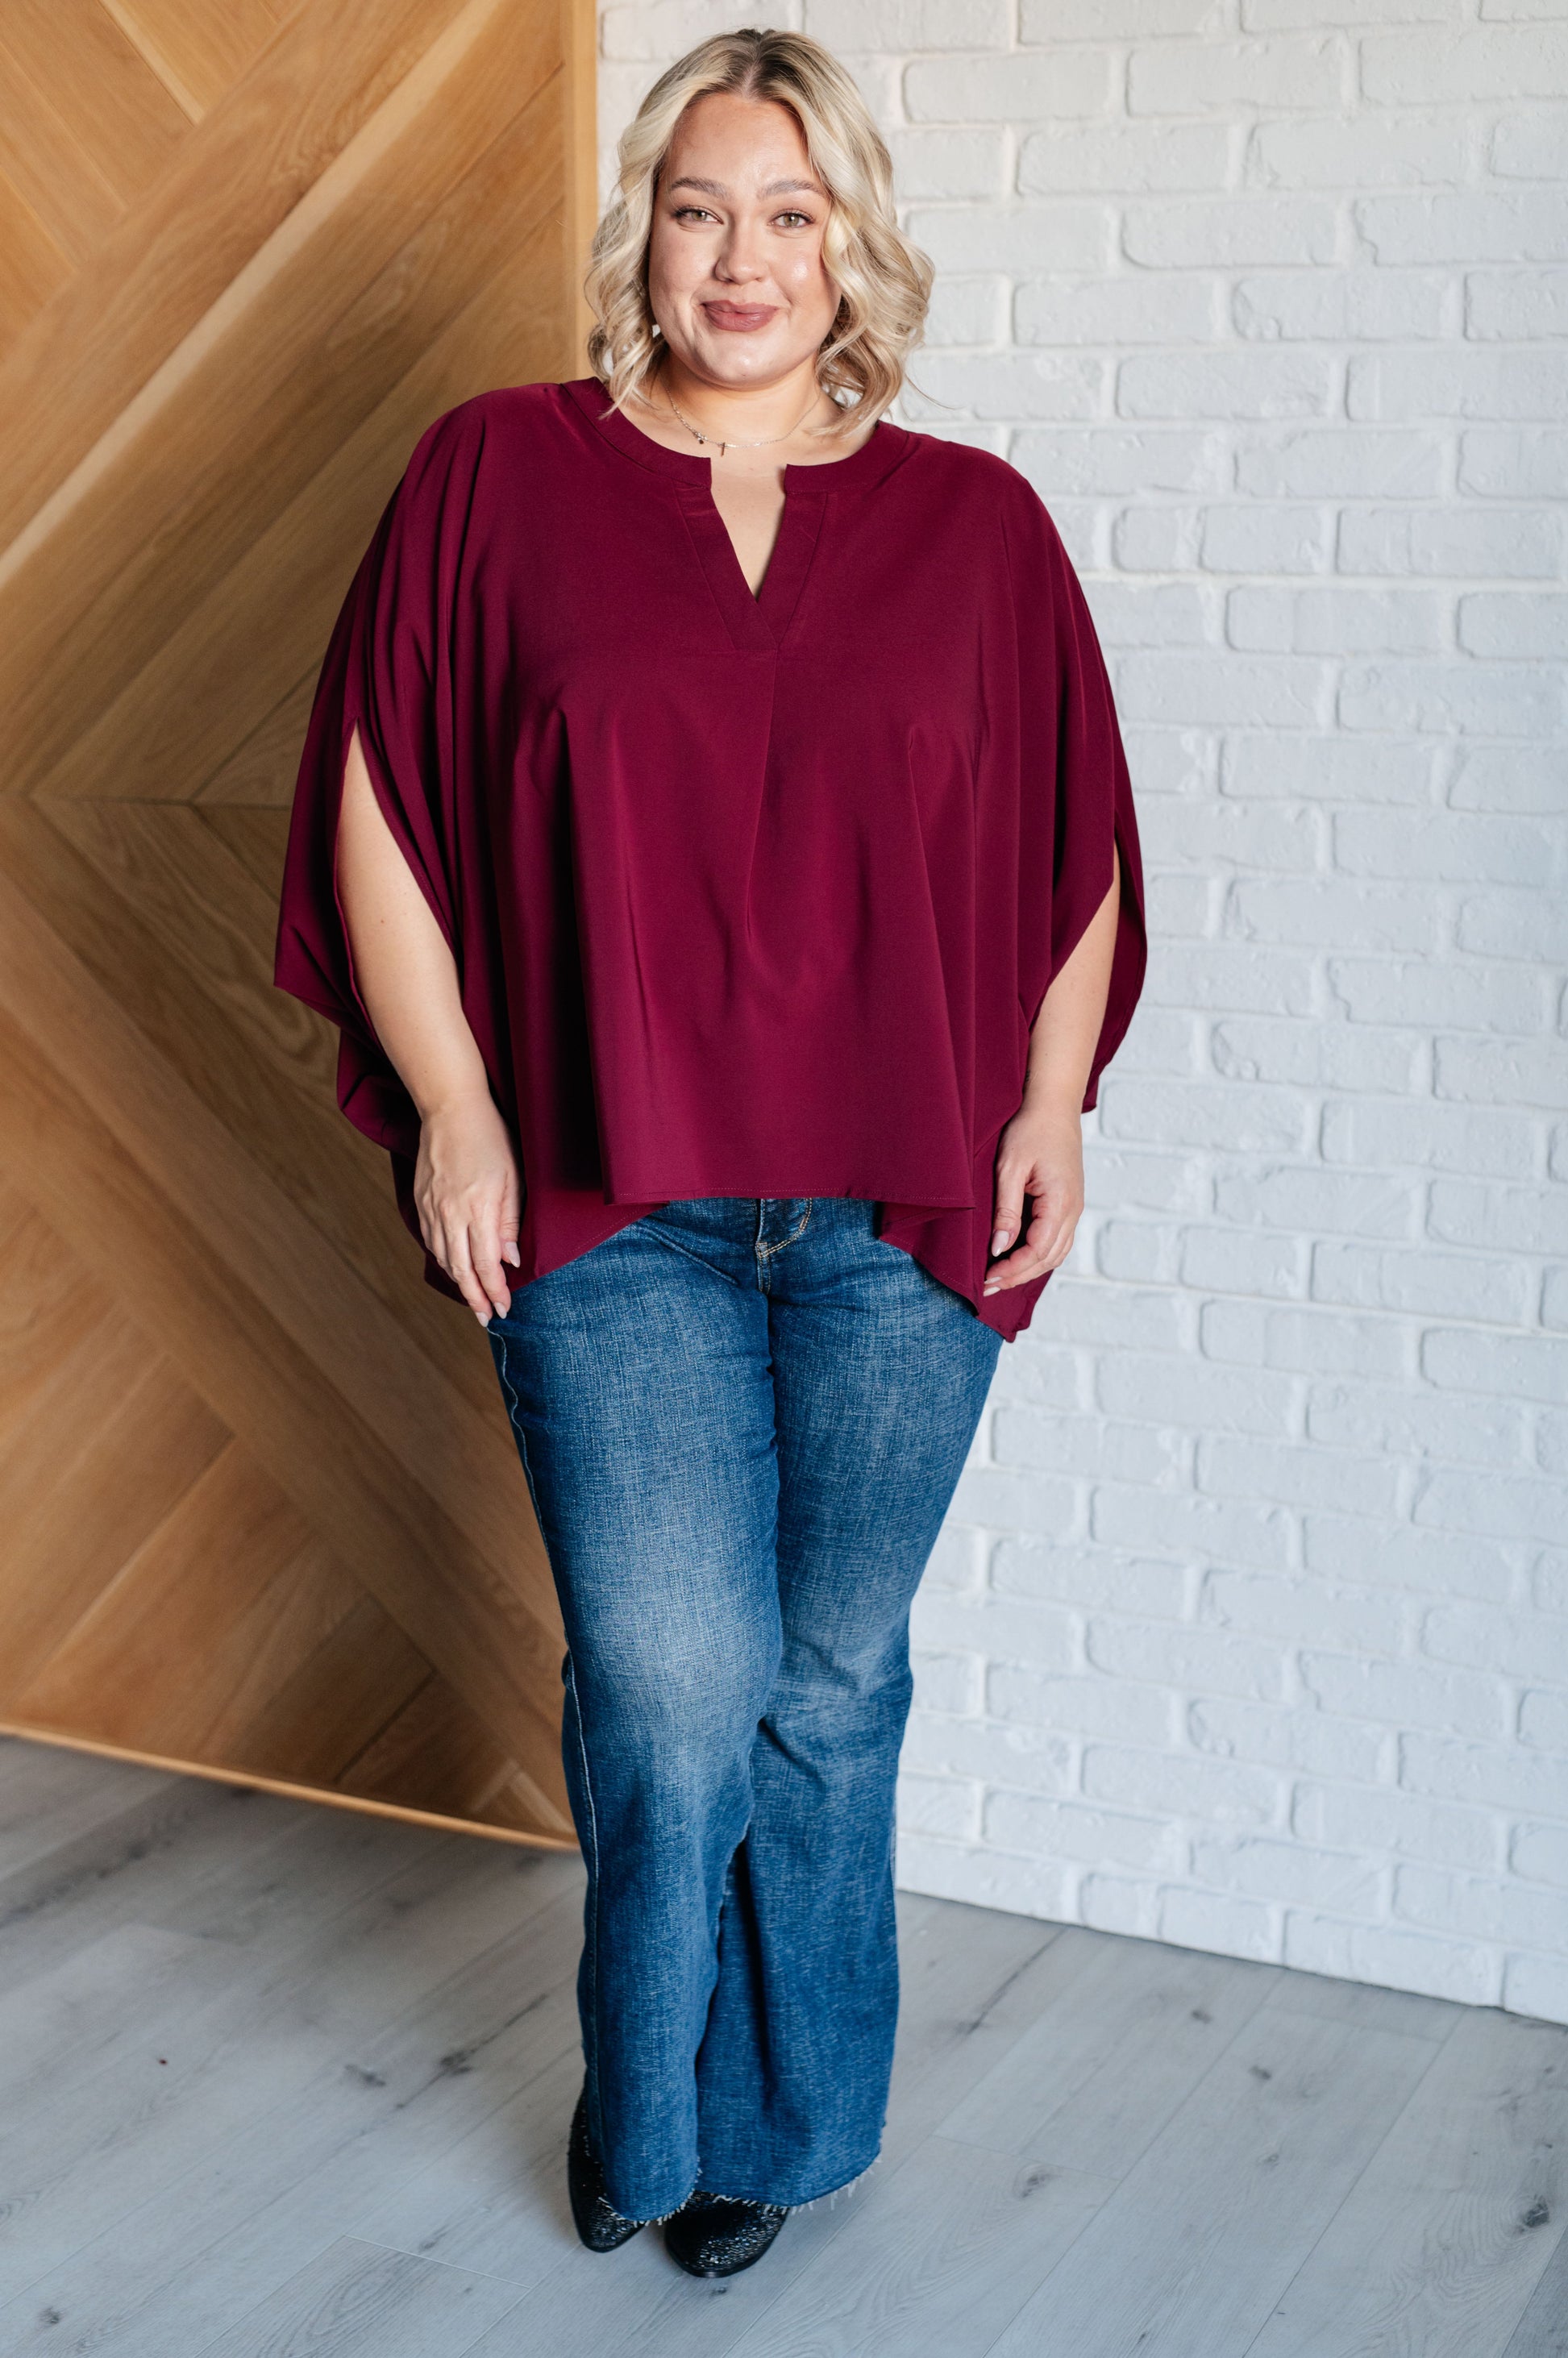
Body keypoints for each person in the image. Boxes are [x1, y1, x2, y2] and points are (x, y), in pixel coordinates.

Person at [273, 25, 1146, 2283]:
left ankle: (781, 2124)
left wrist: (1047, 1102)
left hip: (897, 1212)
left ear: (849, 235)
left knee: (832, 1682)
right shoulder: (497, 476)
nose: (740, 256)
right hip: (610, 1207)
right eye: (695, 205)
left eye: (787, 209)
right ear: (638, 232)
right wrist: (455, 1100)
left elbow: (1073, 860)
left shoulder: (979, 525)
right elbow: (382, 787)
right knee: (672, 1689)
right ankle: (643, 2098)